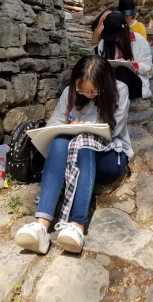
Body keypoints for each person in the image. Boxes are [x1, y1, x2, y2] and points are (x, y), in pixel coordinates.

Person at [15, 55, 132, 254]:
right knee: (60, 141)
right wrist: (68, 128)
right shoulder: (69, 93)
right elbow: (54, 124)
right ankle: (41, 225)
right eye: (82, 90)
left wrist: (81, 129)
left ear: (105, 84)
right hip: (72, 154)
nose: (88, 94)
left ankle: (77, 225)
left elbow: (112, 131)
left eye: (94, 91)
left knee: (84, 143)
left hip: (109, 156)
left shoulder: (120, 91)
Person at [97, 11, 152, 99]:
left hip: (134, 83)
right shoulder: (104, 43)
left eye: (117, 35)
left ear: (125, 28)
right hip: (112, 80)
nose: (115, 38)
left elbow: (147, 66)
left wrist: (133, 65)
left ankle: (119, 100)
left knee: (122, 70)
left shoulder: (140, 41)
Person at [118, 0, 153, 64]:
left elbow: (144, 48)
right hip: (121, 56)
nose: (126, 18)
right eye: (124, 15)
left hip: (137, 57)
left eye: (128, 15)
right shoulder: (117, 24)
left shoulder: (140, 27)